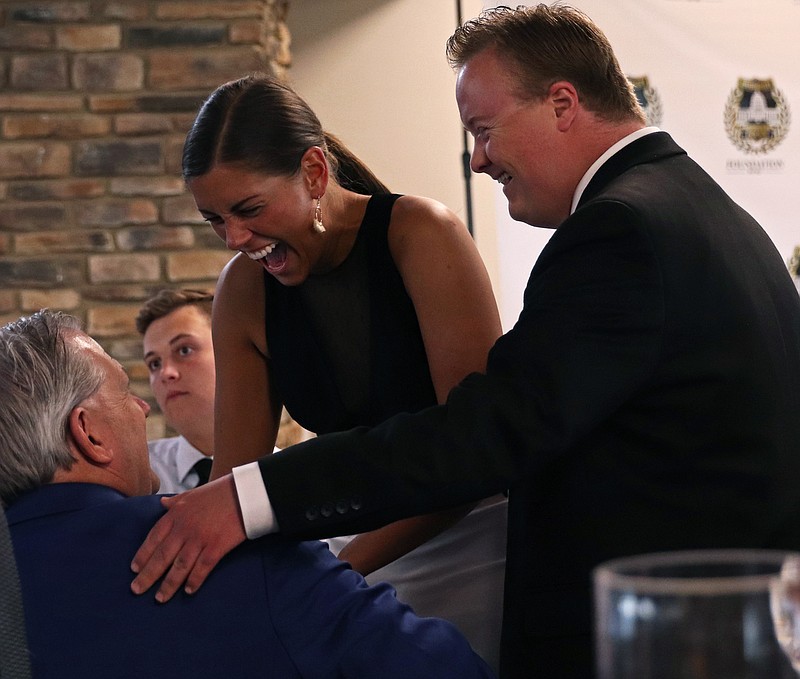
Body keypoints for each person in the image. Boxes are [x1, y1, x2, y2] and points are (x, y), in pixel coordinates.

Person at [130, 4, 800, 677]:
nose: (477, 160)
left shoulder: (619, 231)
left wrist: (260, 500)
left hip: (675, 636)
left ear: (562, 103)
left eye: (484, 131)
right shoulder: (696, 206)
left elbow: (482, 432)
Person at [160, 73, 507, 668]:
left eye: (248, 209)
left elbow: (472, 453)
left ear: (315, 172)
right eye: (214, 219)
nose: (234, 239)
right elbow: (233, 480)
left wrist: (336, 573)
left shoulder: (423, 235)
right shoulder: (242, 288)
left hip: (479, 539)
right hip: (356, 545)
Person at [0, 309, 494, 679]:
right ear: (88, 433)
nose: (142, 407)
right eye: (127, 388)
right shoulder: (235, 550)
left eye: (185, 350)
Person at [136, 288, 217, 493]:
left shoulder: (289, 476)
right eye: (154, 363)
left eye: (184, 350)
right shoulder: (137, 477)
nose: (165, 373)